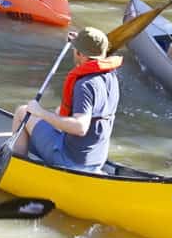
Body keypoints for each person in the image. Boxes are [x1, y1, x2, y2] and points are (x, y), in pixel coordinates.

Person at [10, 28, 122, 172]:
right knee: (57, 112)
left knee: (22, 112)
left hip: (71, 161)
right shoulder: (112, 76)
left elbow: (80, 127)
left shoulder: (85, 85)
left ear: (79, 53)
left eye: (75, 49)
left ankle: (17, 170)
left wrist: (40, 112)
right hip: (97, 158)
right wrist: (80, 41)